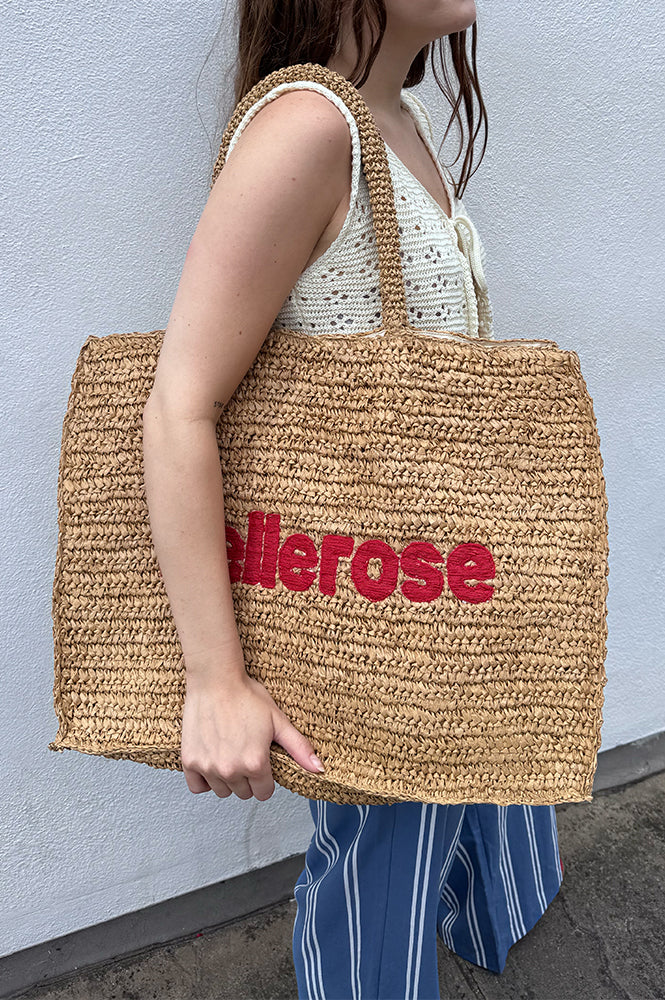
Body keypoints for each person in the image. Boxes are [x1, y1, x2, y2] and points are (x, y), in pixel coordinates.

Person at [142, 1, 564, 996]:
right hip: (366, 600)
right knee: (381, 853)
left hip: (438, 578)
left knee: (474, 776)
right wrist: (214, 680)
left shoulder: (396, 120)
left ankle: (480, 921)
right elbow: (177, 405)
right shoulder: (307, 128)